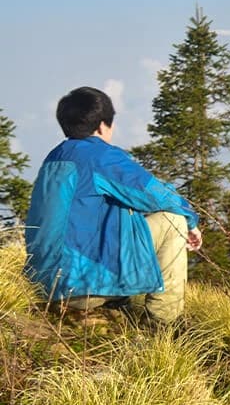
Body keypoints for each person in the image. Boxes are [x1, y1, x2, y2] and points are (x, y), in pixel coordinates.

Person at [24, 87, 202, 327]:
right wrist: (190, 218)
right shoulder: (100, 156)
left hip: (43, 283)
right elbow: (154, 194)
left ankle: (115, 304)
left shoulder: (54, 157)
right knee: (174, 221)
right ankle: (163, 324)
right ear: (102, 126)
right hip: (81, 285)